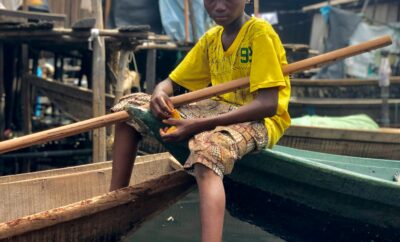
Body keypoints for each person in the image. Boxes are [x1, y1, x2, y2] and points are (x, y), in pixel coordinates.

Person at [110, 0, 291, 241]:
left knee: (206, 154)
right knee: (128, 108)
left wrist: (198, 125)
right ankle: (114, 206)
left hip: (259, 119)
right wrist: (160, 93)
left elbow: (268, 104)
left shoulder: (260, 33)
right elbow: (171, 82)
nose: (219, 6)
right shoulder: (211, 38)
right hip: (216, 110)